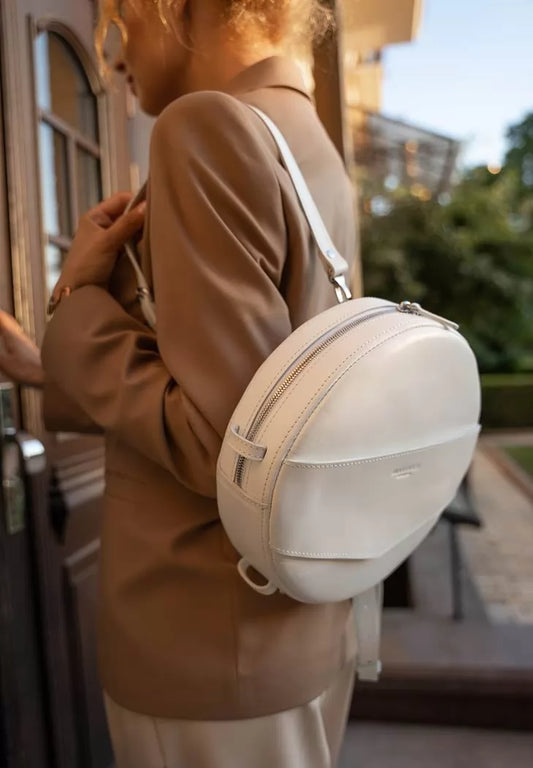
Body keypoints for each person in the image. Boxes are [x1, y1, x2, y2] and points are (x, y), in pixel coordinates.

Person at [0, 0, 357, 765]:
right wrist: (50, 366)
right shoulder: (305, 139)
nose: (111, 56)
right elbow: (262, 389)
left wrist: (80, 304)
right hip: (298, 620)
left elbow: (221, 443)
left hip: (205, 635)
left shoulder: (206, 127)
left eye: (114, 19)